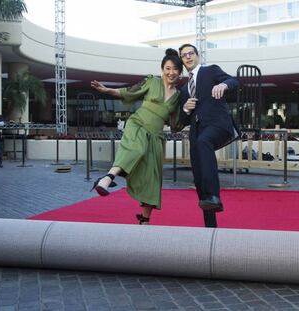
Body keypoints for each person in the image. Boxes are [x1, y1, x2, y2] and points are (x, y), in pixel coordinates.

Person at [90, 48, 183, 224]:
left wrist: (188, 110)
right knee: (136, 149)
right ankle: (107, 178)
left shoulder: (178, 97)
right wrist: (106, 90)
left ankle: (145, 219)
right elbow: (127, 92)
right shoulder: (151, 82)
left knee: (151, 178)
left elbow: (175, 125)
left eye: (175, 69)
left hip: (156, 137)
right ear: (162, 69)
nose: (171, 72)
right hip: (138, 124)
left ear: (180, 72)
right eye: (167, 68)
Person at [178, 43, 239, 228]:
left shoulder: (210, 71)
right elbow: (182, 121)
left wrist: (223, 84)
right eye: (184, 55)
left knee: (204, 142)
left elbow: (233, 81)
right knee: (198, 178)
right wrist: (185, 109)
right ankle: (210, 227)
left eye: (191, 53)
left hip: (218, 125)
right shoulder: (183, 90)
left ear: (197, 56)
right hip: (197, 132)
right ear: (182, 60)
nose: (188, 57)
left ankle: (214, 195)